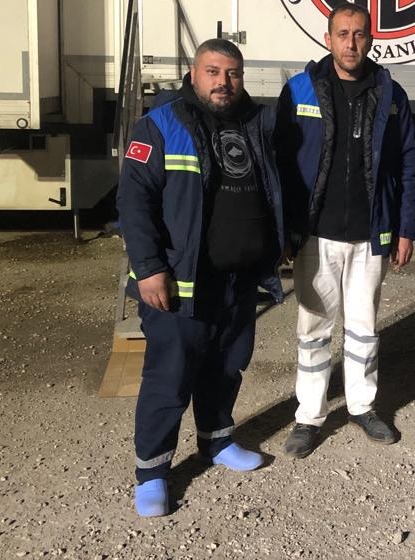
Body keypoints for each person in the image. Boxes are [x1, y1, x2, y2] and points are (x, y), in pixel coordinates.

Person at [117, 39, 283, 517]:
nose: (223, 82)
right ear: (194, 74)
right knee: (169, 378)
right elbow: (134, 202)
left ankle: (217, 440)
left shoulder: (255, 123)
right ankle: (152, 472)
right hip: (180, 283)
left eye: (232, 73)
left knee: (226, 367)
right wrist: (149, 268)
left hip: (237, 280)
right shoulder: (161, 125)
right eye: (213, 71)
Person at [275, 2, 415, 458]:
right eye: (343, 34)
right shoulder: (300, 89)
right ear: (328, 38)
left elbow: (408, 163)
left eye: (359, 34)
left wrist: (405, 228)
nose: (351, 43)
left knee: (364, 328)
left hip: (370, 234)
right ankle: (309, 416)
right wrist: (283, 229)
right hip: (315, 234)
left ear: (371, 39)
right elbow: (280, 163)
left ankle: (363, 406)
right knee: (313, 328)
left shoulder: (390, 93)